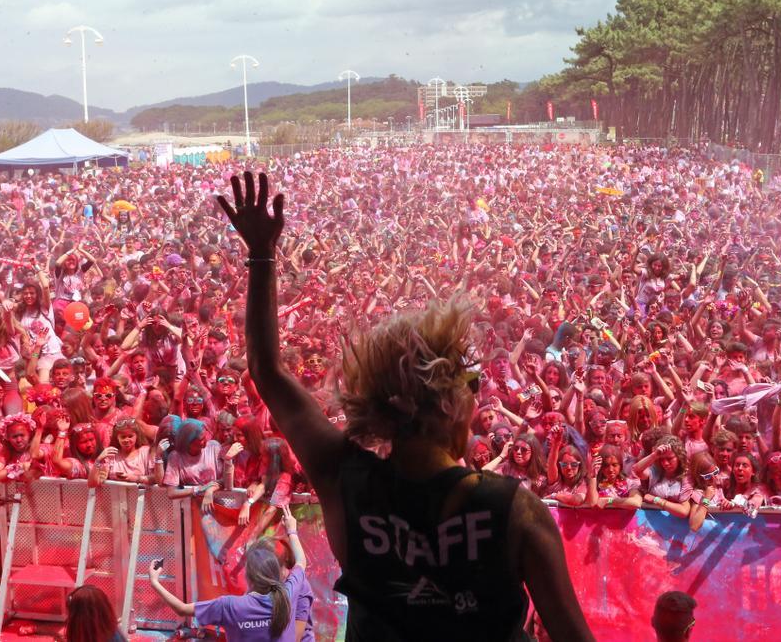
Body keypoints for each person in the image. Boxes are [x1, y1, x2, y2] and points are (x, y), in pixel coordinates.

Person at [219, 170, 593, 641]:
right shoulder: (516, 510)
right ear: (447, 407)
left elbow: (267, 371)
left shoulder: (346, 478)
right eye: (469, 386)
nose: (476, 399)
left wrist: (261, 253)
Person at [150, 505, 306, 641]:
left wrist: (155, 581)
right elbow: (301, 562)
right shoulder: (287, 594)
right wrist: (292, 531)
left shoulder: (229, 606)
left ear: (248, 575)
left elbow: (182, 609)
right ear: (277, 573)